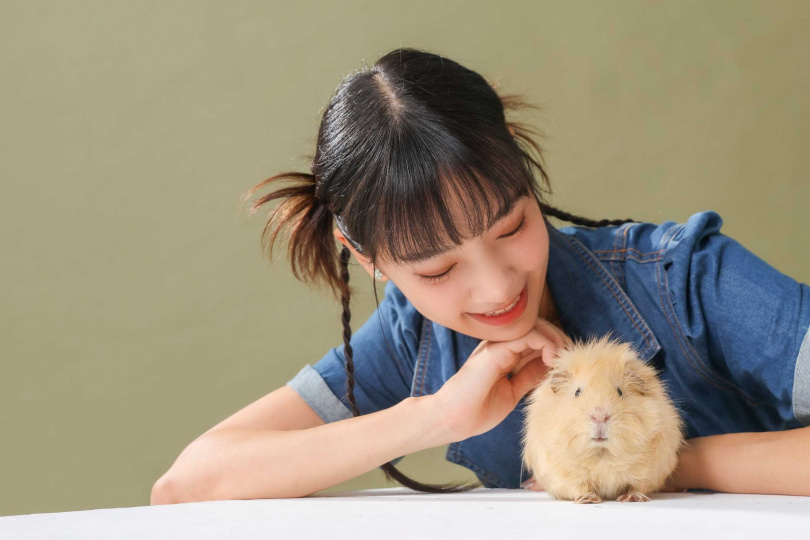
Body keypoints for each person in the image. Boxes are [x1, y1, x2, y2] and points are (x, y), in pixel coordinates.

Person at [151, 47, 810, 503]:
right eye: (438, 268)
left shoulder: (685, 278)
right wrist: (436, 416)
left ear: (526, 176)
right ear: (366, 256)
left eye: (512, 228)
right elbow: (187, 485)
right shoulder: (413, 343)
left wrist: (664, 464)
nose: (497, 289)